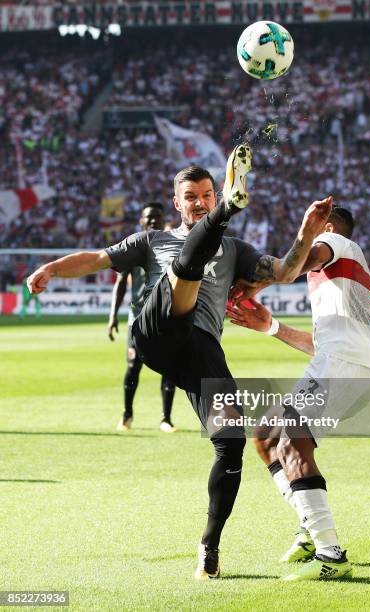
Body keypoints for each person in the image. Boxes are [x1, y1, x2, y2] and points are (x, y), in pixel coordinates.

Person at [27, 144, 332, 580]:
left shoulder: (235, 250)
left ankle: (209, 546)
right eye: (193, 197)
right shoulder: (152, 241)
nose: (199, 202)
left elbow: (284, 271)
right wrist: (53, 268)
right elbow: (96, 259)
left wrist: (306, 232)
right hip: (156, 331)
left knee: (231, 444)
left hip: (199, 351)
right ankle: (234, 204)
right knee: (186, 266)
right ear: (177, 202)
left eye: (208, 196)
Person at [228, 207, 370, 581]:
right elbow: (321, 345)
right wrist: (271, 326)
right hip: (346, 366)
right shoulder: (338, 281)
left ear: (326, 229)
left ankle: (331, 555)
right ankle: (311, 531)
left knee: (291, 442)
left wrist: (261, 282)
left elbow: (297, 262)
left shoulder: (334, 241)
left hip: (343, 367)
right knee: (266, 436)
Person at [108, 203, 177, 433]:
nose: (153, 221)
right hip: (137, 318)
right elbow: (120, 283)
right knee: (133, 366)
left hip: (165, 317)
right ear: (142, 221)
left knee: (170, 367)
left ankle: (166, 419)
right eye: (149, 218)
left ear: (163, 219)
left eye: (157, 217)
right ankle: (127, 415)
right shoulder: (134, 247)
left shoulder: (172, 245)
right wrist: (112, 316)